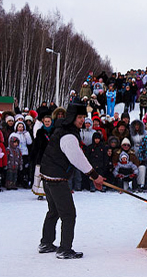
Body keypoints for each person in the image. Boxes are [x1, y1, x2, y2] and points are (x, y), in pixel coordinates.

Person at [38, 103, 105, 259]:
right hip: (56, 178)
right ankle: (64, 249)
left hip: (48, 175)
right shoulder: (68, 135)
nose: (82, 120)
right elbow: (77, 158)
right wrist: (95, 176)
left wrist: (91, 176)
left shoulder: (65, 130)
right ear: (72, 117)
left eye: (83, 117)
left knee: (54, 211)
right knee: (68, 214)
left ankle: (46, 243)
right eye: (79, 117)